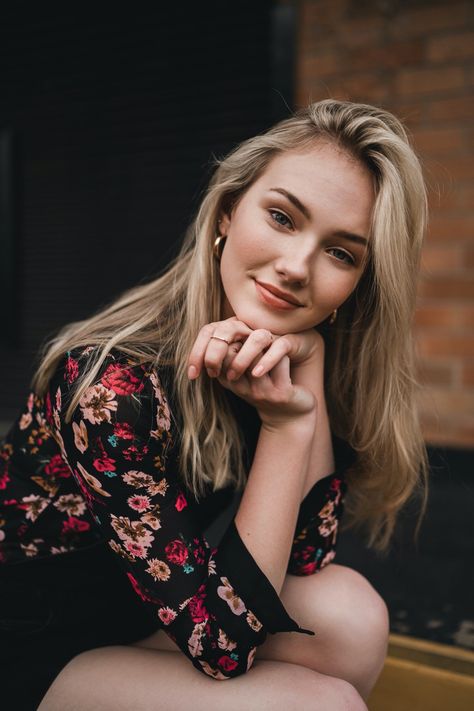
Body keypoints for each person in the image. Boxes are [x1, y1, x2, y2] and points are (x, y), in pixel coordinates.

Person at [0, 99, 428, 710]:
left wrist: (306, 377)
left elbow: (310, 555)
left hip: (148, 611)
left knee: (352, 619)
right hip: (29, 642)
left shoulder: (269, 358)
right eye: (282, 217)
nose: (295, 267)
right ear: (228, 211)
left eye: (341, 253)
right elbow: (224, 646)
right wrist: (285, 427)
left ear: (354, 287)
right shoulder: (111, 383)